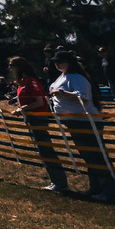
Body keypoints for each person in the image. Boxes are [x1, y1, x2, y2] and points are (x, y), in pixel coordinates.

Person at [49, 50, 115, 202]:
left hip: (85, 121)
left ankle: (110, 192)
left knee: (96, 157)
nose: (56, 64)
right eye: (55, 61)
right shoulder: (61, 77)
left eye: (60, 61)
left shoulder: (77, 77)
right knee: (89, 157)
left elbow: (83, 97)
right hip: (73, 121)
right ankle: (95, 188)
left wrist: (61, 93)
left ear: (69, 62)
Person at [5, 56, 68, 192]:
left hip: (38, 118)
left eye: (11, 66)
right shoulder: (23, 82)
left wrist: (22, 109)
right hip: (31, 119)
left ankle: (60, 183)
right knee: (43, 150)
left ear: (18, 67)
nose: (9, 69)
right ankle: (56, 181)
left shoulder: (31, 82)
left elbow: (39, 102)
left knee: (46, 150)